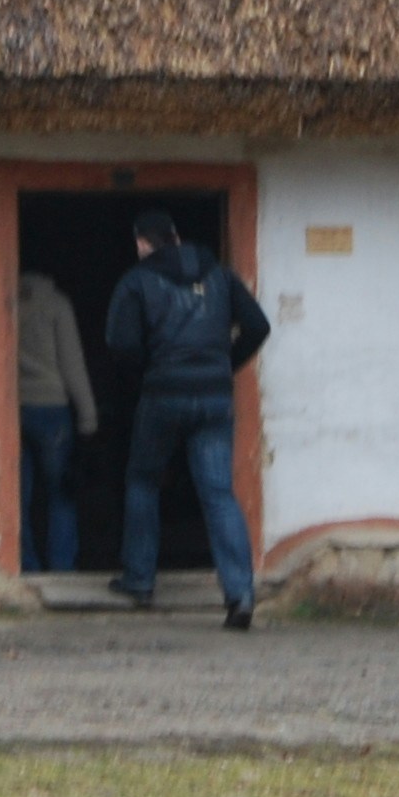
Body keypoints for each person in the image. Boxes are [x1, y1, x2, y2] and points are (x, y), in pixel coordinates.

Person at [102, 209, 269, 628]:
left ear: (142, 243)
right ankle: (240, 593)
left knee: (143, 480)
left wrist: (149, 370)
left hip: (164, 395)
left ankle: (140, 578)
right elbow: (257, 325)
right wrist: (223, 363)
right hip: (214, 396)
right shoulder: (221, 275)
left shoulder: (136, 281)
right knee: (218, 492)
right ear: (175, 236)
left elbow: (121, 345)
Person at [13, 266, 99, 575]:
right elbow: (72, 364)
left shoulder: (7, 300)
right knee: (61, 493)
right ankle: (62, 566)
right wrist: (88, 416)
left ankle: (26, 564)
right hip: (52, 409)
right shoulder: (56, 304)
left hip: (13, 407)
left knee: (17, 497)